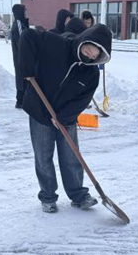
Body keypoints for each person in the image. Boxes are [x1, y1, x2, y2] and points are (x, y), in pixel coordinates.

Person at [18, 23, 112, 213]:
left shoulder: (91, 73)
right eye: (88, 51)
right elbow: (28, 35)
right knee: (43, 156)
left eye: (95, 57)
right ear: (83, 42)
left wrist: (62, 117)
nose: (89, 57)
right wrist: (26, 70)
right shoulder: (57, 44)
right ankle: (48, 196)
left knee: (71, 157)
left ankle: (78, 195)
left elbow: (81, 100)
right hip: (40, 110)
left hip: (66, 117)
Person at [10, 4, 30, 109]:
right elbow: (23, 42)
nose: (26, 12)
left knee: (24, 78)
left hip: (22, 57)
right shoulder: (18, 24)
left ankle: (23, 100)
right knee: (22, 78)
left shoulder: (22, 23)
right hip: (20, 58)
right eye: (25, 11)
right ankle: (20, 101)